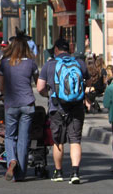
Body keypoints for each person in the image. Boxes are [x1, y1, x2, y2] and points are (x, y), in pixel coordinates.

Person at [37, 37, 88, 184]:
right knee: (75, 140)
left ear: (56, 50)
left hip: (56, 106)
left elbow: (40, 87)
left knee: (58, 141)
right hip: (77, 106)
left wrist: (48, 94)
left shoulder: (50, 65)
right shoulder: (80, 63)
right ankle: (75, 172)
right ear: (69, 50)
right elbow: (88, 83)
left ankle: (58, 172)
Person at [0, 37, 38, 182]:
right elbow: (38, 83)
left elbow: (1, 87)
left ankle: (12, 160)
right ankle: (20, 174)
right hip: (27, 103)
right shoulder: (31, 63)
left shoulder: (4, 63)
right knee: (23, 138)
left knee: (10, 136)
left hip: (11, 104)